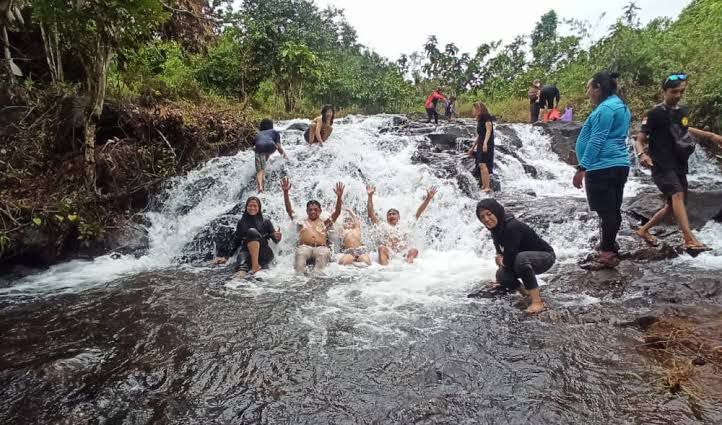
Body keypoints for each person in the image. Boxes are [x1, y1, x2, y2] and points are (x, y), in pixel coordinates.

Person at [634, 73, 722, 252]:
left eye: (681, 92)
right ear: (664, 91)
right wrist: (642, 154)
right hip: (661, 164)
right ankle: (688, 238)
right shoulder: (654, 114)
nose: (678, 95)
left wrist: (711, 136)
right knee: (677, 195)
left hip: (679, 163)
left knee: (671, 205)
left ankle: (643, 230)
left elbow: (685, 128)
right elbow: (639, 139)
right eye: (674, 92)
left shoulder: (682, 111)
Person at [573, 71, 631, 268]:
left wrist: (582, 167)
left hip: (602, 166)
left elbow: (597, 139)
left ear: (598, 88)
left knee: (606, 211)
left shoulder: (605, 109)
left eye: (590, 87)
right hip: (619, 164)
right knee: (612, 208)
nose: (588, 92)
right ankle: (609, 244)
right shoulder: (621, 106)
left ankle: (606, 254)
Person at [476, 199, 555, 314]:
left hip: (545, 257)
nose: (486, 219)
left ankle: (537, 301)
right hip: (521, 260)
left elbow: (509, 257)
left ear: (496, 212)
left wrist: (502, 261)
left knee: (520, 259)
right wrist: (501, 279)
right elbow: (501, 255)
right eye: (482, 217)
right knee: (501, 274)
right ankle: (526, 294)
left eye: (489, 214)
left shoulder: (512, 226)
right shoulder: (495, 230)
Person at [281, 176, 344, 273]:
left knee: (322, 254)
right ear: (307, 211)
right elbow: (290, 211)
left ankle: (317, 278)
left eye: (315, 209)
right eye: (310, 210)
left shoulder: (325, 223)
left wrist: (339, 197)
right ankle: (299, 280)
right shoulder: (302, 222)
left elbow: (337, 213)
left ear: (320, 211)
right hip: (304, 247)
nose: (313, 211)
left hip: (321, 248)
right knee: (301, 254)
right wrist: (285, 193)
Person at [366, 184, 437, 265]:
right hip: (389, 253)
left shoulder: (405, 225)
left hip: (403, 254)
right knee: (381, 248)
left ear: (399, 217)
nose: (391, 215)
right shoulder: (383, 226)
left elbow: (418, 213)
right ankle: (384, 269)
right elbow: (371, 214)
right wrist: (370, 196)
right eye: (389, 214)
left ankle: (407, 268)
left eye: (394, 214)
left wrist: (428, 199)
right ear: (386, 218)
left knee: (414, 250)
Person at [213, 196, 282, 278]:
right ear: (246, 207)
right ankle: (236, 283)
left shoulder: (266, 221)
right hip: (247, 252)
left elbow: (275, 240)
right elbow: (237, 241)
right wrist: (226, 257)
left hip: (264, 253)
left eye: (255, 206)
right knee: (240, 270)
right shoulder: (242, 222)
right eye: (250, 206)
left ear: (259, 208)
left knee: (252, 232)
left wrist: (277, 237)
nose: (252, 208)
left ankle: (255, 266)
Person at [466, 102, 495, 193]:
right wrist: (472, 147)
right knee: (481, 164)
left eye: (474, 109)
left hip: (487, 143)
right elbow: (479, 135)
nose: (473, 111)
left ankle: (487, 186)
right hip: (481, 143)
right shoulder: (480, 119)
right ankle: (483, 185)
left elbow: (488, 131)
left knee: (483, 164)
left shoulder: (486, 116)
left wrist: (485, 143)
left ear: (479, 109)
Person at [253, 118, 287, 193]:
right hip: (272, 147)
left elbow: (254, 146)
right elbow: (278, 146)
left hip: (259, 147)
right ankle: (264, 168)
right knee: (265, 158)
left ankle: (260, 188)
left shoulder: (258, 134)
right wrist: (285, 156)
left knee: (260, 170)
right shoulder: (274, 132)